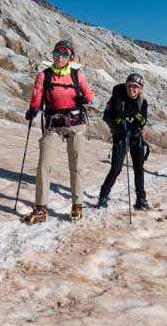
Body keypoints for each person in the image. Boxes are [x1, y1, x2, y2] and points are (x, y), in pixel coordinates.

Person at [23, 40, 94, 224]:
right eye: (57, 53)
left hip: (76, 125)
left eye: (64, 54)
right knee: (44, 165)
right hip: (53, 125)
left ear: (71, 57)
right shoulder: (44, 76)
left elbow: (89, 95)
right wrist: (33, 109)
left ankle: (77, 206)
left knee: (76, 166)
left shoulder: (77, 76)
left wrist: (84, 99)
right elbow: (37, 96)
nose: (60, 57)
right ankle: (41, 208)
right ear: (53, 54)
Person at [98, 73, 149, 210]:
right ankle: (103, 195)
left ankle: (141, 199)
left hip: (136, 138)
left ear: (140, 88)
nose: (131, 89)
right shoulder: (117, 99)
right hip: (121, 137)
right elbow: (107, 116)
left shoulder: (143, 102)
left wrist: (136, 123)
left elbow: (143, 120)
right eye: (129, 86)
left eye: (135, 86)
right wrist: (117, 126)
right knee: (116, 169)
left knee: (139, 169)